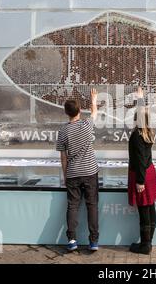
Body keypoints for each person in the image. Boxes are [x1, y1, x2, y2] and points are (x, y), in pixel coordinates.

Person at [56, 88, 99, 252]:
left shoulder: (63, 131)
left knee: (72, 206)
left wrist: (65, 175)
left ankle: (72, 239)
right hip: (89, 171)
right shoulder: (87, 124)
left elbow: (63, 157)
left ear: (66, 113)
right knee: (92, 206)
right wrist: (93, 99)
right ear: (79, 111)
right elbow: (94, 112)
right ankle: (93, 241)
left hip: (73, 173)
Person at [128, 87, 156, 255]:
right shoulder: (147, 132)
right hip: (150, 173)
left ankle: (145, 245)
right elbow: (143, 115)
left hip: (142, 175)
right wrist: (140, 99)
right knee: (150, 206)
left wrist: (139, 181)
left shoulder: (137, 136)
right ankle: (149, 242)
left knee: (144, 210)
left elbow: (139, 160)